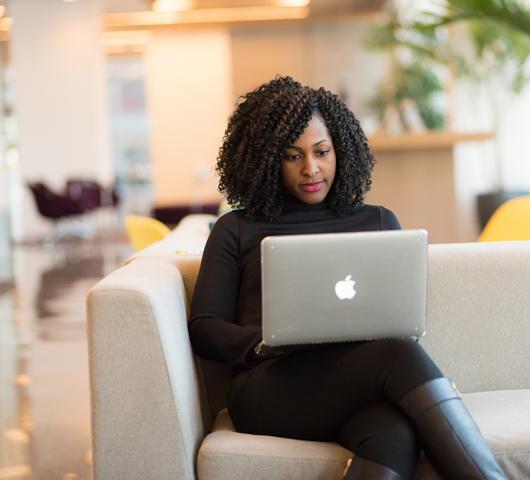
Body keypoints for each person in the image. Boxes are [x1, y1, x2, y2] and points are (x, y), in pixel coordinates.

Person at [189, 76, 507, 480]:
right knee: (398, 356)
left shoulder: (377, 221)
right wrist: (263, 343)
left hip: (361, 383)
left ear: (341, 149)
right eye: (292, 156)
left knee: (394, 433)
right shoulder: (236, 228)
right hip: (270, 389)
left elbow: (401, 316)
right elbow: (203, 327)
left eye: (322, 151)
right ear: (267, 160)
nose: (311, 168)